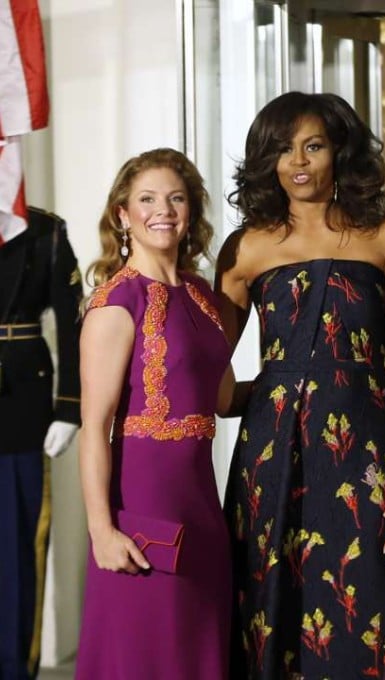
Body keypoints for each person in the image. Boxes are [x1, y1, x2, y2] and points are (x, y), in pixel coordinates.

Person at [217, 91, 385, 679]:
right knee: (273, 603)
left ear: (338, 152)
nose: (299, 161)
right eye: (284, 149)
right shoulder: (247, 248)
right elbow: (206, 364)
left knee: (375, 601)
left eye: (313, 145)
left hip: (366, 450)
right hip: (272, 456)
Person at [75, 148, 234, 679]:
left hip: (202, 504)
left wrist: (313, 382)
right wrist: (101, 530)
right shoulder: (116, 302)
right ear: (123, 214)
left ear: (190, 211)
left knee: (197, 652)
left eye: (175, 198)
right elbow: (94, 427)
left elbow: (224, 398)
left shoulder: (203, 296)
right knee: (147, 653)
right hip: (144, 504)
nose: (162, 210)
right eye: (146, 199)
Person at [0, 207, 81, 680]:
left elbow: (72, 323)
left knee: (17, 548)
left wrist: (69, 406)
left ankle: (14, 667)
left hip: (21, 407)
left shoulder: (45, 231)